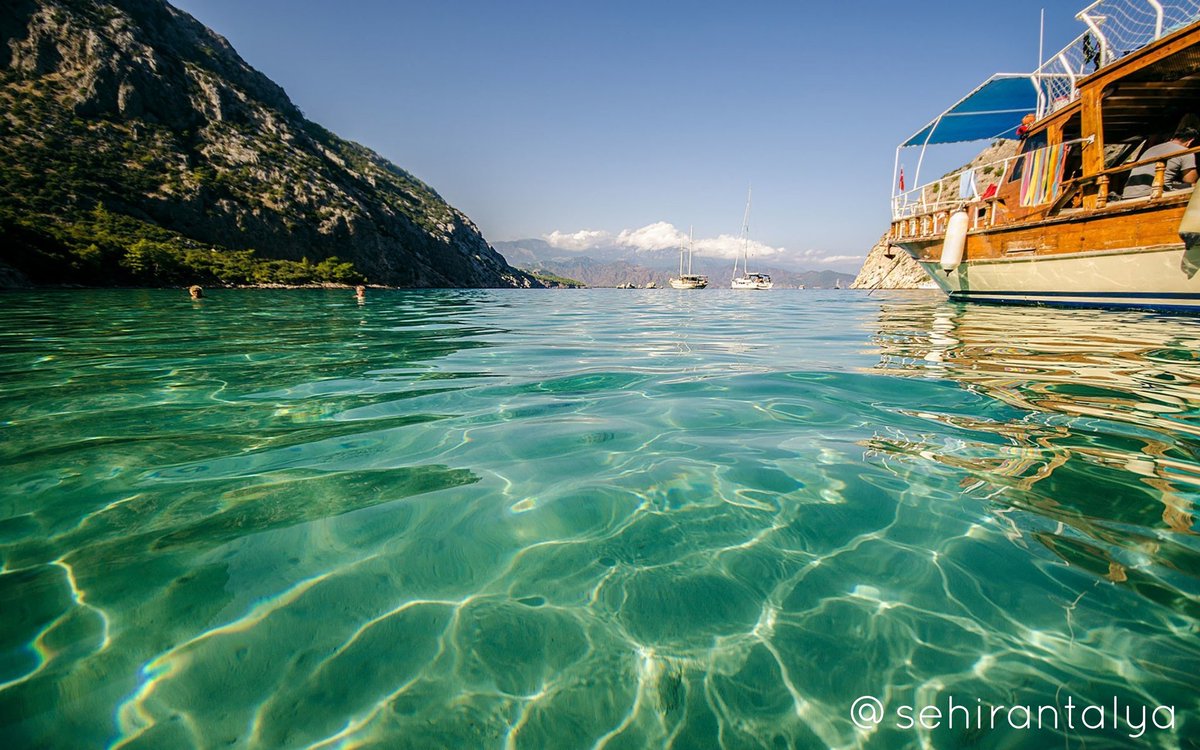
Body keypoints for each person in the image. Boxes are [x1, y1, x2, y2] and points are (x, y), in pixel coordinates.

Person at [1122, 126, 1198, 199]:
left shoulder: (1151, 149)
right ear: (1191, 141)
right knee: (1195, 187)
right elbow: (1190, 180)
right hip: (1151, 193)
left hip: (1127, 194)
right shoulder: (1185, 152)